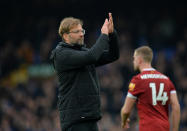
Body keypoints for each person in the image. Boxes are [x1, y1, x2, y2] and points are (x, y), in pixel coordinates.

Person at [50, 13, 119, 131]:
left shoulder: (83, 52)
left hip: (89, 117)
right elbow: (92, 56)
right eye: (77, 32)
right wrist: (103, 35)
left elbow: (112, 56)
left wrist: (112, 34)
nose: (82, 34)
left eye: (82, 31)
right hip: (75, 119)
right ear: (65, 36)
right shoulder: (61, 54)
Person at [120, 46, 180, 131]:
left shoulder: (138, 80)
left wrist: (124, 121)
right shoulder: (167, 80)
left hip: (147, 127)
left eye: (134, 59)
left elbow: (126, 110)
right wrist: (175, 129)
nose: (133, 61)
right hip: (164, 127)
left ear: (140, 59)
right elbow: (176, 107)